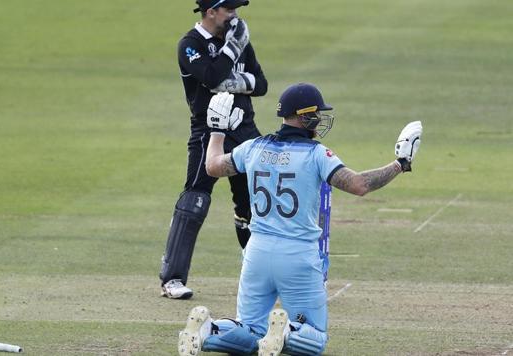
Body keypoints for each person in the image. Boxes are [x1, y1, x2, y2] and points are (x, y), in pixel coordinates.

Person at [176, 84, 422, 355]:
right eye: (316, 113)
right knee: (315, 338)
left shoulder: (254, 147)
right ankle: (287, 331)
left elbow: (212, 166)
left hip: (256, 252)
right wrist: (400, 163)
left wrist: (217, 131)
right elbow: (359, 184)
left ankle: (209, 330)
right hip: (297, 255)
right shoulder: (317, 154)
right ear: (304, 116)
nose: (320, 119)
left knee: (251, 329)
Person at [160, 0, 268, 299]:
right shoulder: (190, 45)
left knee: (252, 203)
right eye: (229, 9)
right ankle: (172, 279)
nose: (235, 15)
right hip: (209, 130)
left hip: (245, 129)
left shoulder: (240, 40)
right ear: (211, 12)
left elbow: (261, 84)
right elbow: (210, 76)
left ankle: (257, 272)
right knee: (195, 200)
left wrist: (230, 80)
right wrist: (232, 49)